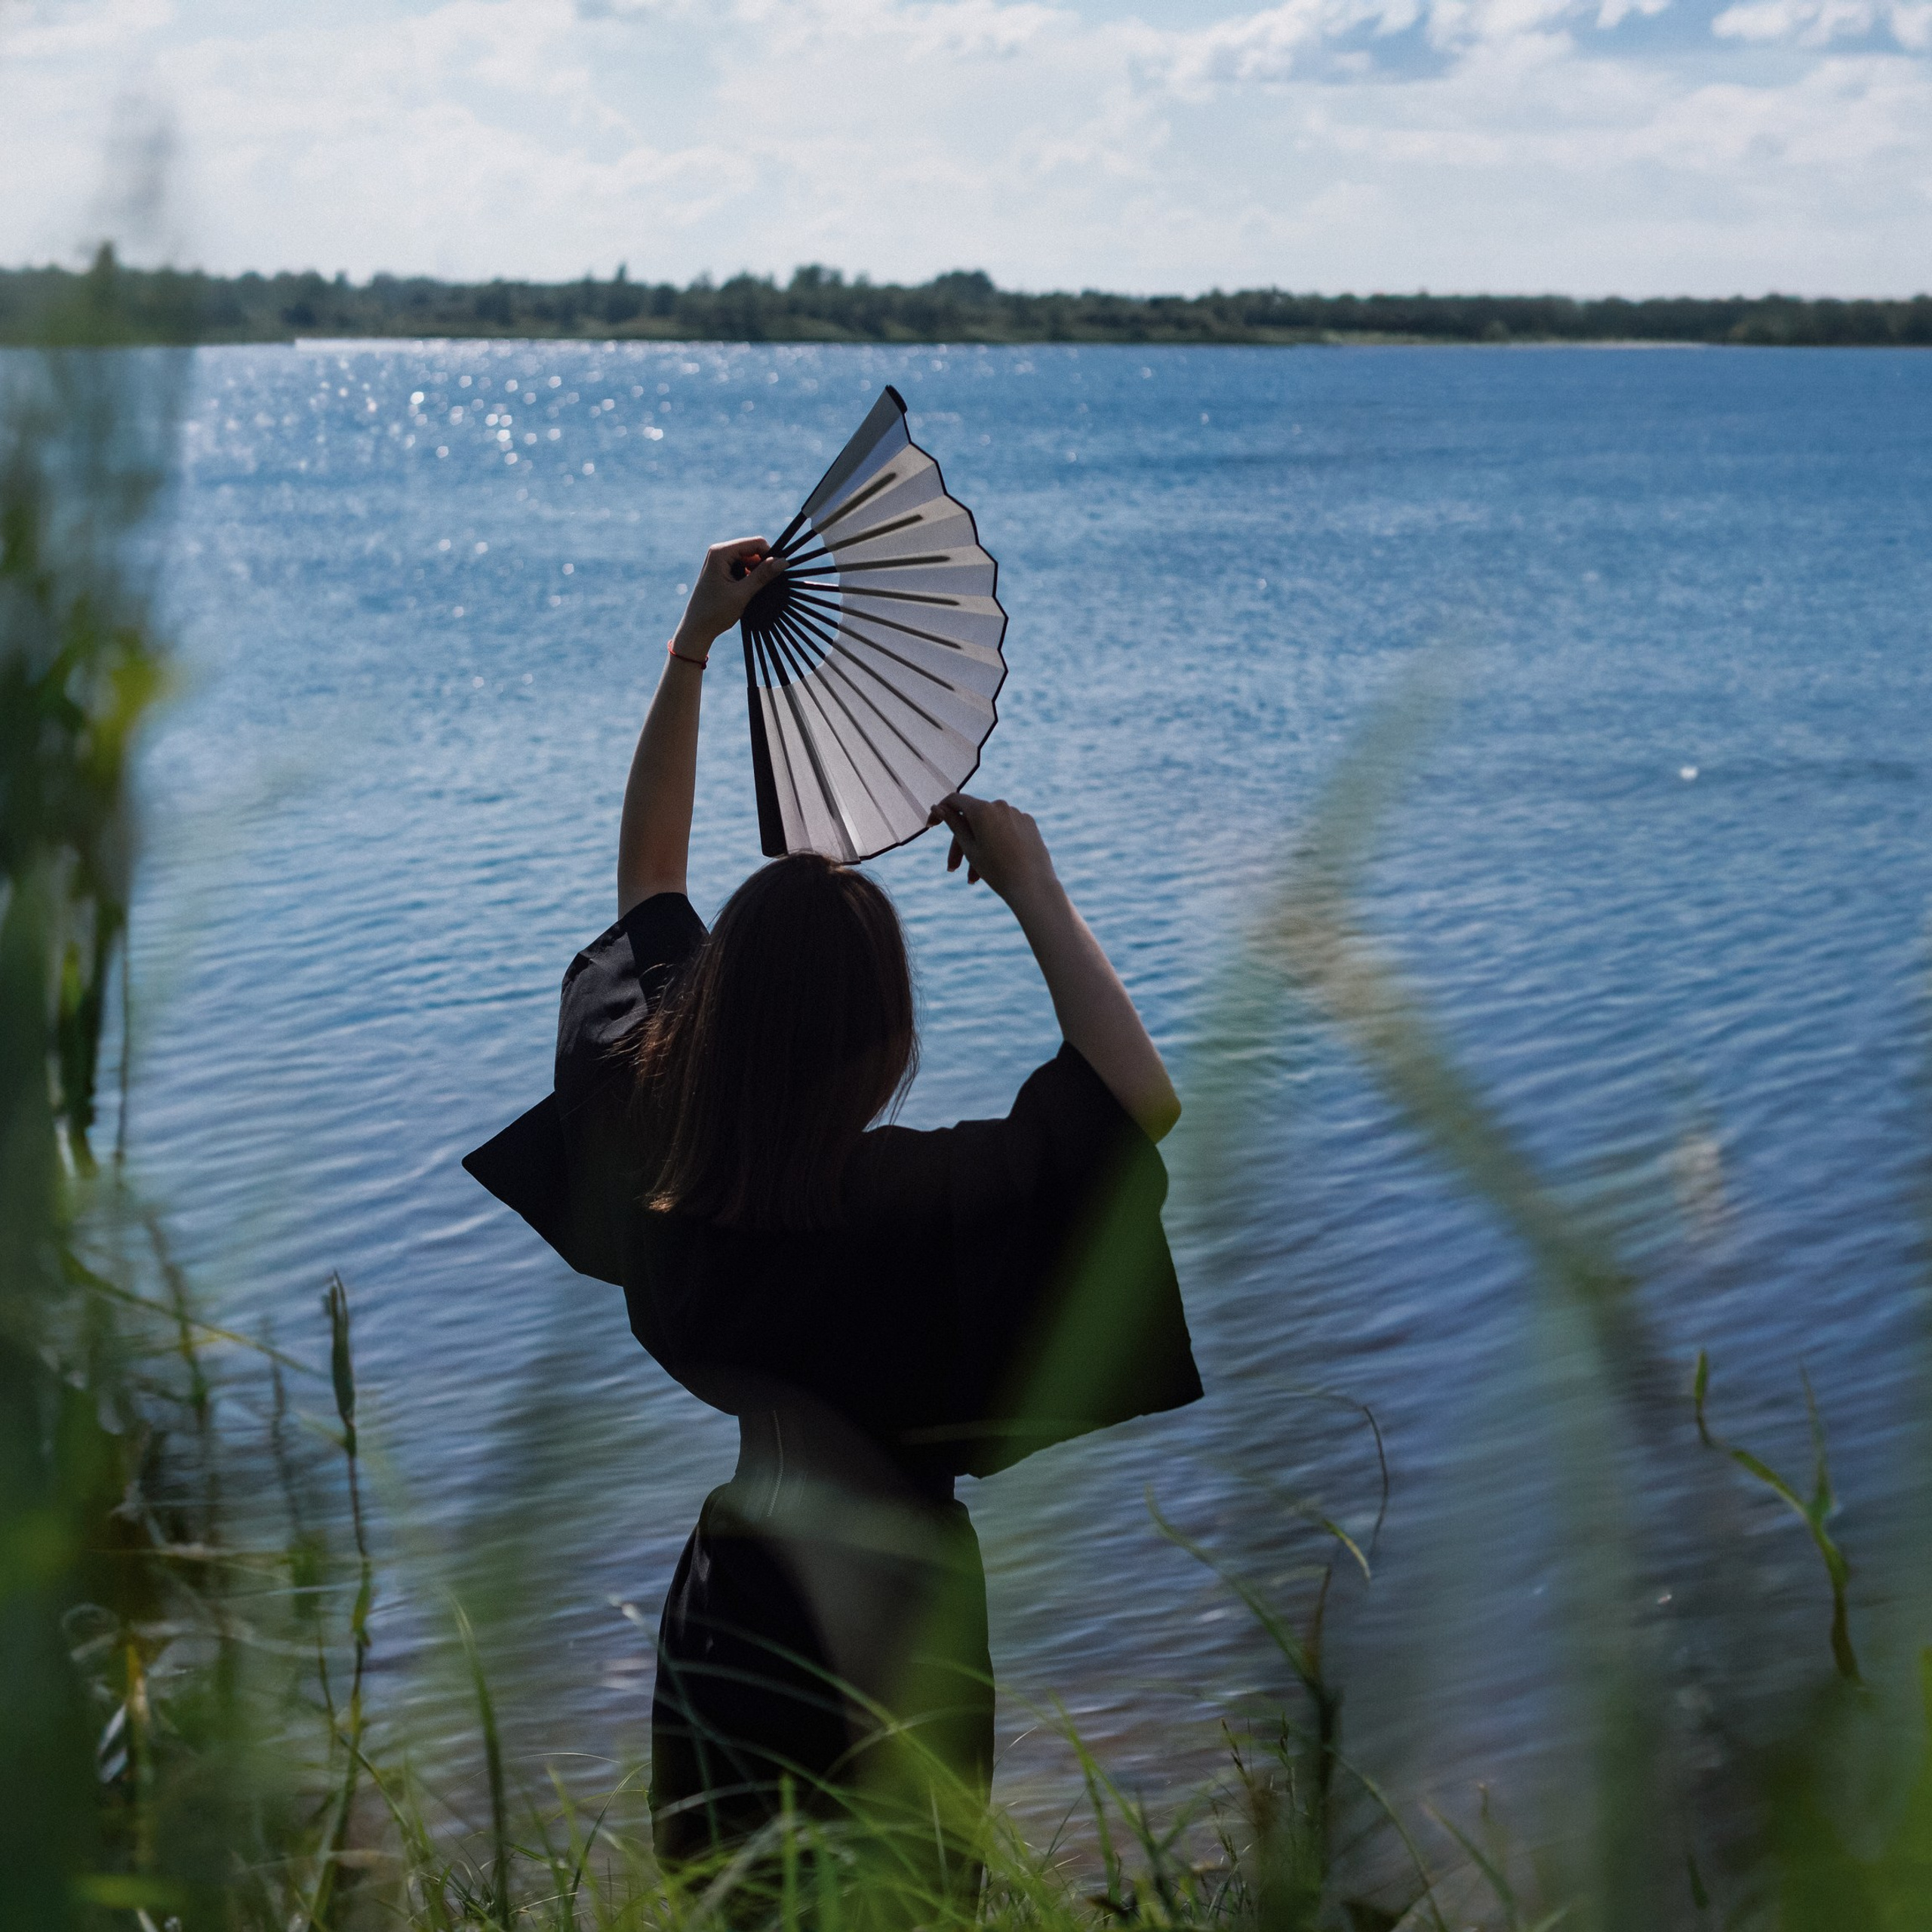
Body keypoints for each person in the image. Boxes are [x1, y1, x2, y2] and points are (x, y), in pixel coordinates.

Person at [465, 535, 1201, 1887]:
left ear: (718, 1013)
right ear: (884, 1049)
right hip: (898, 1619)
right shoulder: (917, 1208)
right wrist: (1035, 886)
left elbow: (647, 881)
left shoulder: (662, 1158)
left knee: (726, 1907)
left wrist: (693, 644)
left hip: (729, 1608)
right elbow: (1136, 1100)